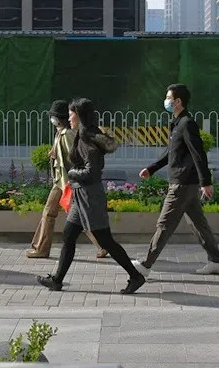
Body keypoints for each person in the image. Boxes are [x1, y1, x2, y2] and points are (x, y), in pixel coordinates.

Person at [37, 98, 146, 295]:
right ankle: (57, 280)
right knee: (69, 236)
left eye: (71, 114)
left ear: (79, 116)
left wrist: (71, 174)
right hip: (81, 196)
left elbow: (92, 172)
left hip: (89, 196)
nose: (68, 118)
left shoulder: (87, 138)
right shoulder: (82, 134)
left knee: (106, 241)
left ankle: (135, 276)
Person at [132, 84, 219, 277]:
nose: (165, 101)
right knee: (198, 223)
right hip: (186, 182)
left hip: (182, 183)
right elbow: (171, 153)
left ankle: (146, 265)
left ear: (178, 101)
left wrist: (205, 181)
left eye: (168, 98)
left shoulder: (187, 123)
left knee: (164, 224)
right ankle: (215, 260)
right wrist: (152, 168)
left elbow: (198, 153)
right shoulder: (177, 123)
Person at [26, 100, 107, 259]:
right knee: (50, 213)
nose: (51, 119)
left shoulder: (67, 134)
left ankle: (102, 245)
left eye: (53, 117)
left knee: (78, 217)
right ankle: (40, 248)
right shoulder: (61, 133)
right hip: (61, 181)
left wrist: (73, 180)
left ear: (58, 118)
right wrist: (54, 151)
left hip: (68, 182)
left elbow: (76, 156)